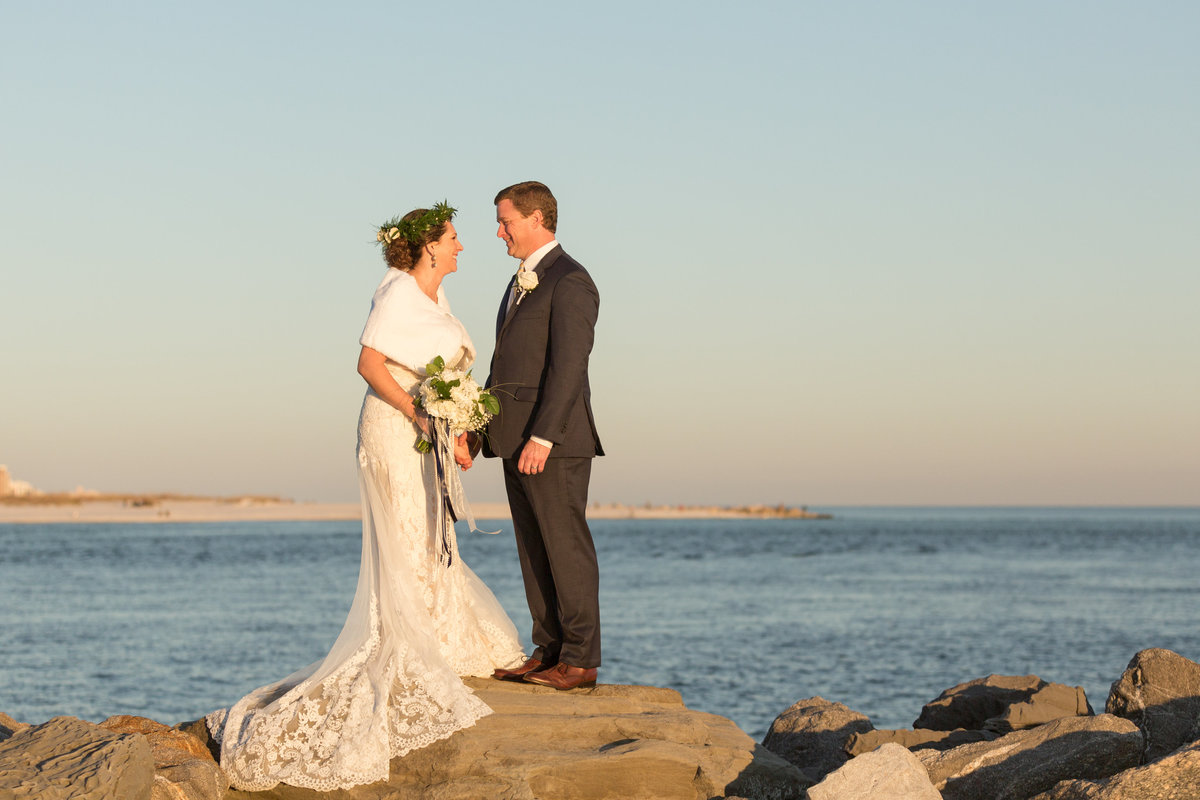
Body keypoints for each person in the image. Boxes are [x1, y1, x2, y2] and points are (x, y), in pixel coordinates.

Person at [205, 204, 525, 792]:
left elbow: (438, 375)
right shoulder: (397, 291)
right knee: (406, 530)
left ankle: (435, 632)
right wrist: (418, 414)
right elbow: (369, 363)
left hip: (425, 429)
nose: (462, 247)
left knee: (432, 531)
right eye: (454, 238)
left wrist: (454, 422)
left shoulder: (435, 300)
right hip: (392, 427)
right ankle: (407, 643)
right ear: (429, 245)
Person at [482, 181, 604, 690]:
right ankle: (548, 648)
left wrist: (544, 437)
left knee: (565, 546)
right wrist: (480, 430)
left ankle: (580, 660)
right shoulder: (519, 283)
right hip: (515, 439)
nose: (499, 231)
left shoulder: (571, 281)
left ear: (537, 219)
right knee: (532, 548)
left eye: (506, 221)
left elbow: (568, 367)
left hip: (553, 442)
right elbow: (504, 367)